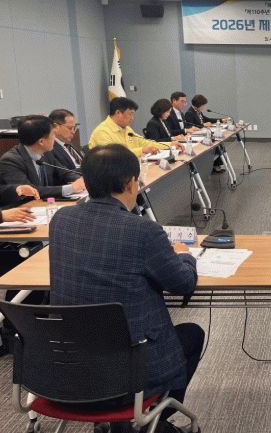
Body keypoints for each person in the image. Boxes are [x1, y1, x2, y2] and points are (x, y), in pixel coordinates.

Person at [49, 144, 204, 433]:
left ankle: (124, 426)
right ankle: (154, 421)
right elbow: (183, 284)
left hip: (68, 364)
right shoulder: (143, 230)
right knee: (193, 334)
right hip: (131, 372)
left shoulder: (61, 220)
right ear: (131, 183)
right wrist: (185, 256)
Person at [0, 115, 86, 199]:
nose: (55, 138)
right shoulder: (10, 161)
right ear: (41, 142)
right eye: (53, 134)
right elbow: (30, 192)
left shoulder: (46, 154)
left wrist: (83, 180)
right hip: (22, 206)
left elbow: (65, 173)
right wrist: (71, 188)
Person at [89, 97, 183, 157]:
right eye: (130, 114)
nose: (132, 118)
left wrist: (170, 144)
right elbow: (115, 156)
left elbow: (145, 143)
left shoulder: (127, 129)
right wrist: (141, 150)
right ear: (118, 113)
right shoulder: (102, 132)